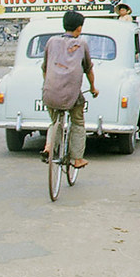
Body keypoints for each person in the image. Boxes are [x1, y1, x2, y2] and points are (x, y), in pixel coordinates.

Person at [41, 10, 98, 169]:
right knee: (78, 122)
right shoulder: (81, 44)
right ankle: (77, 158)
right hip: (71, 95)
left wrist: (47, 84)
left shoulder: (51, 41)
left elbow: (44, 68)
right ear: (79, 28)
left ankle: (48, 147)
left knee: (54, 122)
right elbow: (88, 70)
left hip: (50, 91)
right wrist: (93, 88)